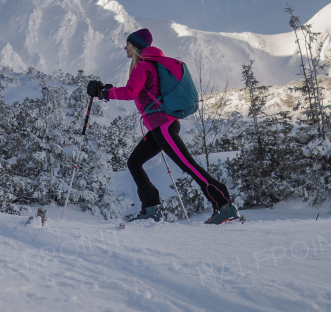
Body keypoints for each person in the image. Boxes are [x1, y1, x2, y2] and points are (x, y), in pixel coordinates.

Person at [87, 28, 240, 224]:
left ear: (134, 47)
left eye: (127, 44)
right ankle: (151, 209)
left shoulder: (142, 67)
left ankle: (224, 205)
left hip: (163, 126)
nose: (124, 47)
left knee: (188, 165)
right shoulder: (150, 65)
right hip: (159, 127)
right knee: (134, 162)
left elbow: (130, 92)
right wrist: (106, 91)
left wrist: (104, 93)